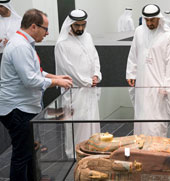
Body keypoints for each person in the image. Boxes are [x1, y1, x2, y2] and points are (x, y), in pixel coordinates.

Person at [0, 9, 72, 181]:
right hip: (17, 109)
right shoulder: (20, 46)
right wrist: (56, 83)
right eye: (45, 29)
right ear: (33, 26)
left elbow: (36, 71)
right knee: (22, 154)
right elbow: (30, 80)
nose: (47, 33)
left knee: (29, 151)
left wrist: (55, 76)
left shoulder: (24, 43)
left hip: (23, 107)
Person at [55, 9, 102, 157]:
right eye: (77, 25)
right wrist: (87, 81)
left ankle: (93, 150)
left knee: (91, 122)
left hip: (90, 89)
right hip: (74, 92)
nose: (80, 28)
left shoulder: (87, 37)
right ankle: (75, 155)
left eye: (83, 25)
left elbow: (95, 57)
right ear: (70, 24)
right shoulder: (62, 43)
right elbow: (68, 69)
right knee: (76, 125)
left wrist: (96, 75)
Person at [126, 4, 170, 137]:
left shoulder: (168, 35)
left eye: (152, 20)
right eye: (146, 20)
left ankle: (157, 152)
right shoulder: (139, 31)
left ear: (159, 19)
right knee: (142, 116)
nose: (149, 23)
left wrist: (166, 85)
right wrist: (131, 73)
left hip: (158, 85)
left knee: (156, 120)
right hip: (142, 82)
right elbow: (133, 53)